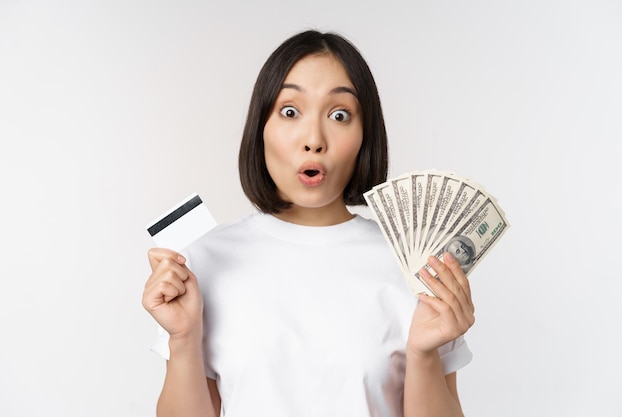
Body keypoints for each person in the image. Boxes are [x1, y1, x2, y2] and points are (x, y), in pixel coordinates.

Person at [142, 29, 475, 417]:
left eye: (339, 115)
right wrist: (183, 339)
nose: (314, 139)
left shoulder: (418, 266)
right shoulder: (204, 261)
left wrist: (422, 354)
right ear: (260, 128)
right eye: (290, 111)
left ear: (364, 136)